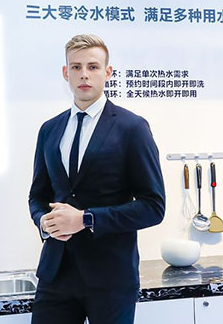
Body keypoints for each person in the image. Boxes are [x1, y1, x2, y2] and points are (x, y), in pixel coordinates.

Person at [28, 34, 166, 324]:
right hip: (56, 275)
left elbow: (153, 206)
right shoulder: (49, 130)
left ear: (107, 72)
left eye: (92, 66)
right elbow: (38, 196)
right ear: (65, 73)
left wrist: (86, 219)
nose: (84, 74)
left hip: (111, 278)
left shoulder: (132, 128)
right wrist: (44, 222)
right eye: (76, 67)